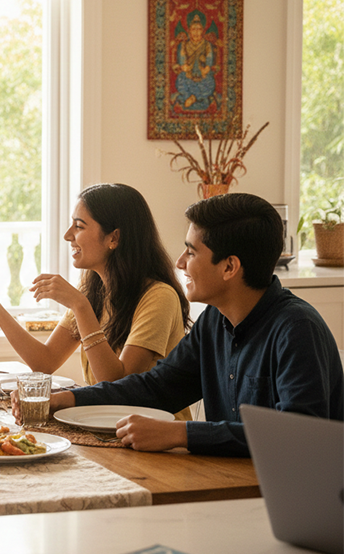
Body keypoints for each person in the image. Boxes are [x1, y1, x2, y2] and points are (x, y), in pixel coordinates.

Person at [39, 193, 344, 457]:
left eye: (192, 251)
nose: (180, 262)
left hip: (292, 500)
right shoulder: (214, 320)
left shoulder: (297, 329)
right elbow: (157, 387)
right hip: (228, 483)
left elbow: (298, 437)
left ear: (229, 267)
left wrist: (181, 433)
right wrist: (70, 399)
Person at [0, 183, 190, 416]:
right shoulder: (94, 289)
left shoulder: (158, 297)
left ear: (113, 238)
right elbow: (43, 362)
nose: (68, 235)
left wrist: (80, 306)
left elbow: (117, 388)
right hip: (104, 423)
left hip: (154, 437)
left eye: (79, 226)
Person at [173, 9, 217, 111]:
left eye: (199, 29)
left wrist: (206, 68)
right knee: (180, 80)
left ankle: (192, 97)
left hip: (202, 76)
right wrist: (184, 67)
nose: (196, 32)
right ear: (189, 31)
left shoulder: (207, 45)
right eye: (193, 29)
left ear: (203, 30)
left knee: (210, 83)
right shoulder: (184, 45)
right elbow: (182, 59)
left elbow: (209, 59)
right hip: (189, 76)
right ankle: (196, 97)